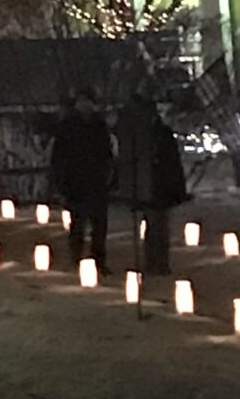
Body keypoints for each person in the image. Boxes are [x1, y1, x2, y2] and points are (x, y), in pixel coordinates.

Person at [112, 89, 187, 273]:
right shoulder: (138, 136)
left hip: (161, 186)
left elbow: (172, 162)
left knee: (159, 227)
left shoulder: (162, 134)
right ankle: (153, 262)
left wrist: (176, 187)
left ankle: (159, 262)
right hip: (148, 186)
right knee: (153, 227)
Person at [49, 92, 114, 266]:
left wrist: (107, 175)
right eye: (82, 102)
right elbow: (59, 157)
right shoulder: (68, 127)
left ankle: (99, 259)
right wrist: (61, 183)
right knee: (78, 223)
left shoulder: (99, 126)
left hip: (96, 182)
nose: (85, 106)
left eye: (88, 102)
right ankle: (76, 258)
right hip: (75, 183)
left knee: (99, 225)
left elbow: (107, 153)